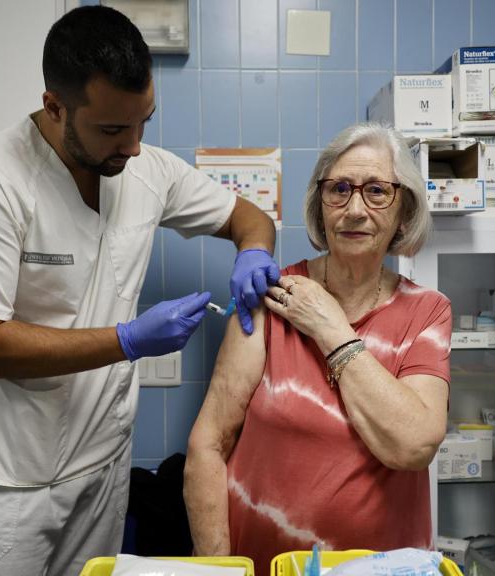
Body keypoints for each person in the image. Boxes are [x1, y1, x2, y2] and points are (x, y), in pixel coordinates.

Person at [0, 6, 278, 576]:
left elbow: (249, 217)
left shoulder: (148, 171)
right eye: (112, 129)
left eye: (144, 123)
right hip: (12, 482)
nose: (133, 146)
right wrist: (128, 340)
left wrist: (254, 250)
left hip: (104, 469)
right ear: (55, 106)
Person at [183, 123, 452, 574]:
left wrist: (331, 329)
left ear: (404, 210)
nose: (354, 210)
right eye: (340, 189)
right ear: (320, 205)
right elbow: (208, 444)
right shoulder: (272, 297)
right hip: (262, 561)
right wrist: (217, 567)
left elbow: (413, 445)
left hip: (381, 567)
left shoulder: (427, 311)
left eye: (377, 192)